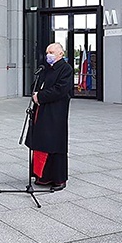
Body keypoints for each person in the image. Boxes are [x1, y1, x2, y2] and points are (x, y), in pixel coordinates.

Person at [25, 42, 73, 191]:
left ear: (60, 54)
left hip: (55, 112)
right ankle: (42, 176)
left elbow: (60, 90)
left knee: (55, 143)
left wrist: (40, 96)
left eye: (51, 52)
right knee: (41, 142)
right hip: (41, 110)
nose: (48, 55)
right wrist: (35, 94)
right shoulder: (45, 68)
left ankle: (58, 179)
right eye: (47, 52)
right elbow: (36, 85)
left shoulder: (66, 69)